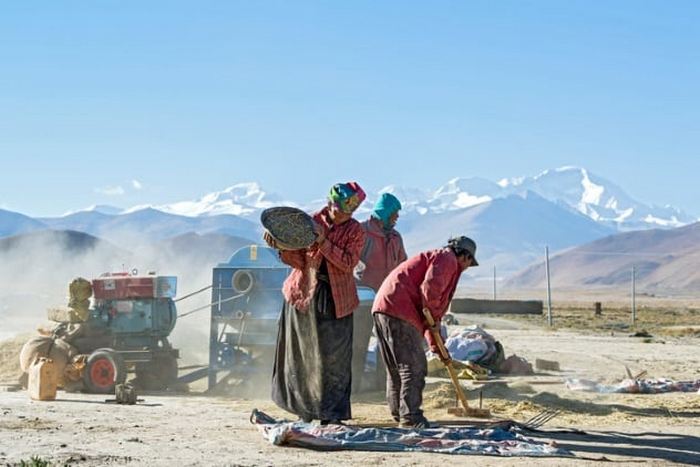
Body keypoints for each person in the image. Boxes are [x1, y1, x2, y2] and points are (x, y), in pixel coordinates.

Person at [266, 182, 366, 425]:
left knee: (335, 358)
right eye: (340, 209)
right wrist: (280, 246)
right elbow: (299, 259)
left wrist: (323, 242)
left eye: (349, 212)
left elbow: (347, 263)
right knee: (303, 354)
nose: (344, 215)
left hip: (337, 299)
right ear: (331, 203)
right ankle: (306, 410)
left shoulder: (355, 231)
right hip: (304, 294)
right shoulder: (308, 222)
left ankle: (332, 414)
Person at [371, 236, 479, 428]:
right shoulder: (447, 259)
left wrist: (439, 349)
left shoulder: (440, 258)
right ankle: (410, 417)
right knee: (413, 367)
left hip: (385, 307)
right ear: (465, 257)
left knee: (398, 368)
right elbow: (430, 292)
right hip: (399, 308)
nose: (467, 267)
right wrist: (436, 318)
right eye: (469, 263)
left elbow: (429, 317)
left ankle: (400, 413)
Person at [352, 193, 407, 393]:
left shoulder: (395, 237)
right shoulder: (362, 232)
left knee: (387, 345)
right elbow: (351, 260)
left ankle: (383, 388)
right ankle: (353, 388)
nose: (397, 218)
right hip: (363, 298)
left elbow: (403, 265)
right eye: (394, 213)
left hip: (387, 300)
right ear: (385, 213)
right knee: (358, 344)